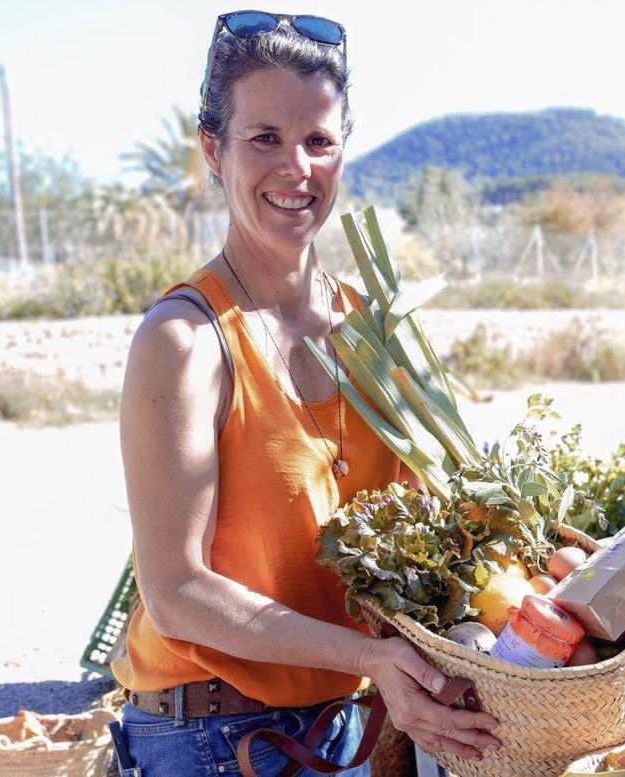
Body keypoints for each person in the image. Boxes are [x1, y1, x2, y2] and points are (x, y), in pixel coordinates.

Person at [109, 11, 500, 775]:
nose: (297, 168)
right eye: (265, 139)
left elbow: (441, 524)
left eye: (319, 141)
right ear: (213, 149)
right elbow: (177, 592)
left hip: (347, 729)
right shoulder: (187, 341)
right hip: (213, 742)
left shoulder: (376, 330)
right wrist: (365, 654)